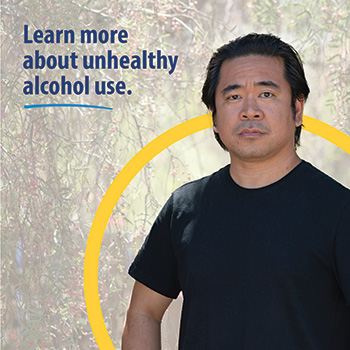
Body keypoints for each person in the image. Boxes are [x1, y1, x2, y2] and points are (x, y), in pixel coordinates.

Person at [122, 33, 350, 349]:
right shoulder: (184, 208)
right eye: (233, 97)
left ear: (297, 110)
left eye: (267, 94)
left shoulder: (339, 211)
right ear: (214, 117)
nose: (250, 111)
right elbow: (144, 312)